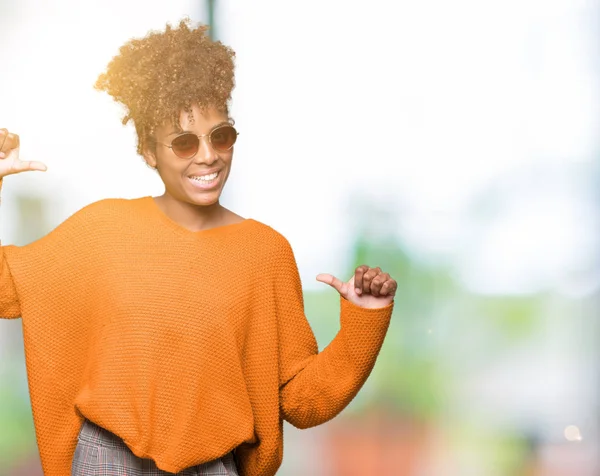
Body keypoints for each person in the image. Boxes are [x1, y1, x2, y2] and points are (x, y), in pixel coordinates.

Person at [0, 18, 397, 476]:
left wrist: (364, 321)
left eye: (221, 136)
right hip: (104, 461)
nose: (207, 155)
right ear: (149, 151)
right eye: (184, 142)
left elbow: (302, 402)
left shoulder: (265, 253)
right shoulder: (100, 230)